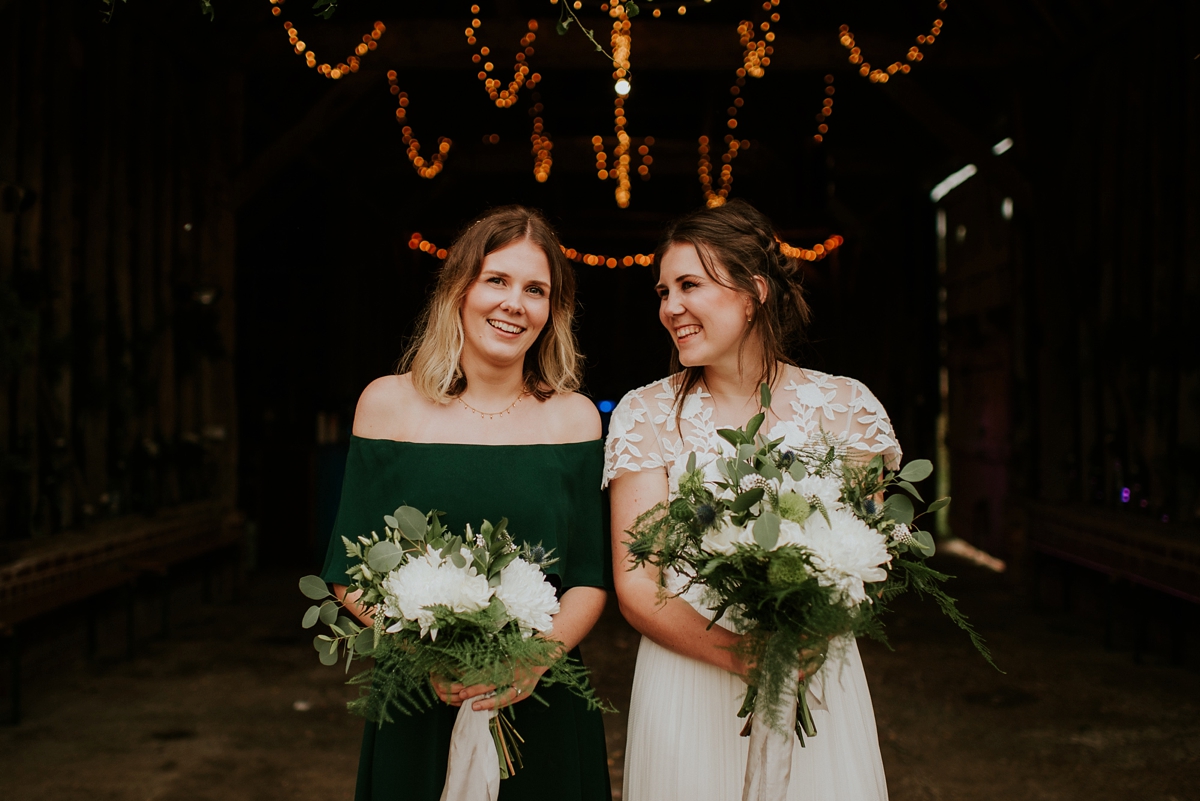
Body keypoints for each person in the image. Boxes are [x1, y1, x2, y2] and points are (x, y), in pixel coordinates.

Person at [605, 199, 900, 801]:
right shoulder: (648, 414)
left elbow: (868, 554)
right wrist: (744, 654)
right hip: (688, 675)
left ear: (753, 292)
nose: (671, 308)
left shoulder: (847, 409)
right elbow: (639, 586)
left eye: (690, 284)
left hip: (813, 672)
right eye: (663, 291)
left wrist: (805, 634)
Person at [320, 205, 612, 801]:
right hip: (418, 697)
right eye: (497, 280)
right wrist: (423, 657)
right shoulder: (387, 405)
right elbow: (346, 576)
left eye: (536, 290)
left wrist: (533, 660)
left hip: (542, 695)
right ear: (459, 289)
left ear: (552, 313)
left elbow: (588, 576)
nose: (515, 304)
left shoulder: (573, 418)